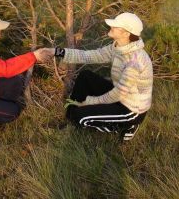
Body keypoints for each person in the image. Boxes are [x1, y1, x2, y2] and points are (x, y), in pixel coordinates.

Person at [49, 13, 153, 141]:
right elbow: (92, 56)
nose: (111, 26)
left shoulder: (135, 61)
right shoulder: (118, 47)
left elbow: (118, 94)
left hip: (130, 110)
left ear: (126, 34)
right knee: (85, 76)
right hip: (120, 97)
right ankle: (70, 120)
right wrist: (57, 52)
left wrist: (89, 102)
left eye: (116, 26)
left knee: (81, 117)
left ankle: (127, 126)